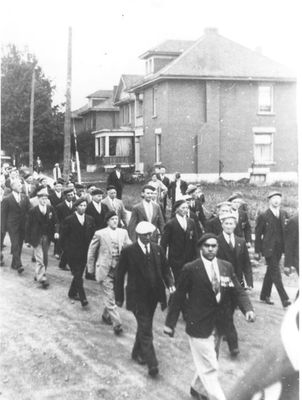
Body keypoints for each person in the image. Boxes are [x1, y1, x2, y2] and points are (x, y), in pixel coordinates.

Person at [164, 233, 255, 400]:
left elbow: (237, 290)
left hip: (220, 323)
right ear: (201, 247)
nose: (211, 249)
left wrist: (247, 309)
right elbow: (178, 297)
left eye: (214, 246)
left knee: (209, 360)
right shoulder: (190, 269)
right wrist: (170, 323)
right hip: (198, 324)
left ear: (217, 248)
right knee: (211, 365)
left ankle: (197, 388)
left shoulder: (226, 266)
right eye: (207, 246)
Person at [115, 221, 175, 377]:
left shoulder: (157, 249)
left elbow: (165, 268)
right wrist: (119, 297)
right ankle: (152, 363)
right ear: (139, 236)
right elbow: (119, 275)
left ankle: (136, 352)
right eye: (146, 235)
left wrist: (170, 284)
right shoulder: (129, 252)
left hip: (154, 297)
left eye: (151, 234)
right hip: (137, 297)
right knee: (146, 328)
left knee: (144, 325)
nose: (149, 237)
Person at [87, 211, 132, 335]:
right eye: (112, 219)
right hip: (105, 268)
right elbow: (91, 251)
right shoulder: (100, 234)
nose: (115, 221)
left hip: (119, 269)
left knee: (115, 294)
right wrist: (90, 268)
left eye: (116, 219)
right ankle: (117, 324)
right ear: (107, 221)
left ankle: (106, 315)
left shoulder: (123, 233)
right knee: (110, 296)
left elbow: (130, 247)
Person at [217, 213, 253, 357]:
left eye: (232, 224)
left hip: (236, 282)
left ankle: (225, 330)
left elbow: (246, 263)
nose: (229, 226)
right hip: (222, 281)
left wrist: (249, 281)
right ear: (222, 225)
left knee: (230, 309)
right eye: (226, 223)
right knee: (226, 312)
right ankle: (233, 345)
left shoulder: (240, 241)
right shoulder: (216, 241)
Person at [255, 191, 291, 308]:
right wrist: (257, 251)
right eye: (274, 198)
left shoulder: (284, 214)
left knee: (271, 271)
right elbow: (258, 234)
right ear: (269, 200)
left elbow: (288, 232)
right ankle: (284, 299)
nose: (276, 200)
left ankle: (264, 295)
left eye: (278, 198)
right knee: (276, 272)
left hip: (280, 248)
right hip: (268, 248)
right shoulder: (263, 216)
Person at [60, 197, 95, 307]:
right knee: (78, 274)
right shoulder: (69, 219)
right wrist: (66, 250)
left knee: (79, 274)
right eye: (81, 206)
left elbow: (93, 235)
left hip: (85, 251)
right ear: (76, 207)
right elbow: (63, 237)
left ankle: (72, 292)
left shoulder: (90, 219)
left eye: (85, 206)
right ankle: (83, 297)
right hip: (72, 252)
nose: (83, 208)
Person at [25, 188, 59, 288]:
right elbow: (28, 226)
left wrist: (56, 232)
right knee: (39, 258)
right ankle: (42, 277)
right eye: (42, 199)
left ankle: (39, 274)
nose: (44, 201)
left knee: (45, 258)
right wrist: (27, 240)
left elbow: (56, 221)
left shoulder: (50, 209)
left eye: (46, 199)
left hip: (47, 237)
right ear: (38, 199)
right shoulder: (33, 211)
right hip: (36, 237)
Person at [161, 199, 198, 284]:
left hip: (190, 258)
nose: (185, 210)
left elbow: (195, 241)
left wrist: (196, 256)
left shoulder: (191, 222)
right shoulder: (171, 224)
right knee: (179, 282)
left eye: (187, 208)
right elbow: (163, 243)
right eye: (183, 208)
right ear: (177, 209)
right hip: (176, 259)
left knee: (190, 281)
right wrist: (163, 260)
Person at [1, 179, 31, 273]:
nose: (21, 186)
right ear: (13, 187)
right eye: (19, 185)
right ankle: (19, 265)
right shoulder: (7, 199)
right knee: (15, 244)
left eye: (21, 185)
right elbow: (3, 214)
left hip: (23, 224)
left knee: (20, 243)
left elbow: (29, 209)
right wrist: (2, 228)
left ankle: (14, 263)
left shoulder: (24, 197)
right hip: (12, 225)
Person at [56, 188, 75, 270]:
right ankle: (65, 264)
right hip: (64, 229)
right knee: (67, 247)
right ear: (65, 196)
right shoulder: (60, 206)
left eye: (72, 195)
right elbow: (57, 220)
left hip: (74, 229)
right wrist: (58, 231)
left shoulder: (75, 205)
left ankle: (63, 264)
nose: (70, 196)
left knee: (71, 247)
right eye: (69, 195)